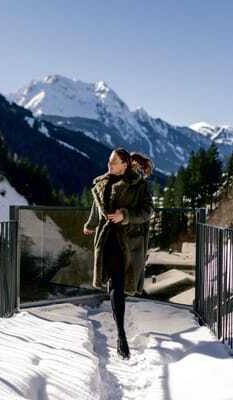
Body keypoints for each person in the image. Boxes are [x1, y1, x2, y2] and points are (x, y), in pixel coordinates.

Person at [83, 148, 154, 360]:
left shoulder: (139, 185)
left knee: (120, 286)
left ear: (125, 165)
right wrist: (89, 225)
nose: (109, 165)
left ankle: (121, 334)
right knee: (114, 285)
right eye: (109, 161)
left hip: (130, 243)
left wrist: (125, 215)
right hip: (108, 242)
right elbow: (97, 211)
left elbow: (148, 211)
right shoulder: (101, 184)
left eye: (114, 163)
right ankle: (121, 335)